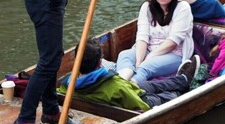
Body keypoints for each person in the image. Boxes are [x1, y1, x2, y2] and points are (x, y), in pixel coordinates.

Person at [58, 40, 200, 111]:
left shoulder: (66, 86)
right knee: (168, 95)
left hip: (131, 89)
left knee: (152, 85)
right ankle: (182, 89)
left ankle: (183, 79)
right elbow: (141, 105)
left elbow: (59, 94)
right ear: (100, 63)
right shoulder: (115, 85)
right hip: (140, 99)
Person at [115, 0, 194, 84]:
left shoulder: (183, 8)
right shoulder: (147, 7)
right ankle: (120, 83)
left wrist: (148, 59)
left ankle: (127, 90)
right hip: (148, 49)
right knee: (124, 55)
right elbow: (142, 37)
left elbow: (173, 41)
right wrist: (138, 61)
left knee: (144, 68)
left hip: (174, 54)